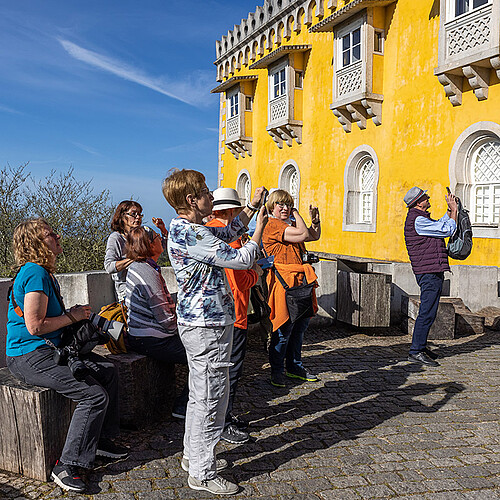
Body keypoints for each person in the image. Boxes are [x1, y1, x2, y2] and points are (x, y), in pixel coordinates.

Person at [163, 169, 267, 496]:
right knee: (212, 398)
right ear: (192, 200)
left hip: (200, 323)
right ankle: (203, 473)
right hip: (207, 326)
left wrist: (249, 209)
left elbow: (223, 236)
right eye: (206, 192)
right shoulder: (192, 234)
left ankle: (193, 457)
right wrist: (260, 229)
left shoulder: (189, 229)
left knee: (200, 395)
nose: (211, 196)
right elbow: (241, 258)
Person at [6, 218, 128, 494]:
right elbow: (35, 326)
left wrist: (72, 317)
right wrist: (71, 316)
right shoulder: (35, 273)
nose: (58, 236)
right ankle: (67, 465)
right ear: (36, 243)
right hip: (29, 355)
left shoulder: (42, 273)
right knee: (93, 395)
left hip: (47, 350)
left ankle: (100, 442)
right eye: (51, 234)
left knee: (107, 371)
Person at [206, 187, 262, 444]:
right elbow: (240, 280)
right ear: (231, 210)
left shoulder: (211, 231)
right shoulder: (231, 237)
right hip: (235, 312)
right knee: (231, 372)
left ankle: (224, 418)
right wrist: (256, 273)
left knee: (223, 372)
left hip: (222, 312)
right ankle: (224, 422)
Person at [124, 225, 189, 419]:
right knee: (201, 358)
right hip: (151, 339)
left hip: (143, 335)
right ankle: (183, 406)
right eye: (156, 237)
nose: (161, 238)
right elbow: (165, 319)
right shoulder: (147, 272)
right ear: (149, 245)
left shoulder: (144, 267)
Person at [262, 189, 321, 388]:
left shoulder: (287, 225)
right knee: (283, 329)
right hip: (283, 284)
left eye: (288, 204)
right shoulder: (272, 226)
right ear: (272, 207)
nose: (285, 208)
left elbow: (312, 236)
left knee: (299, 328)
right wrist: (296, 213)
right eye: (281, 205)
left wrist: (315, 222)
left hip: (299, 282)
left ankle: (295, 367)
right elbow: (303, 234)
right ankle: (277, 371)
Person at [403, 186, 458, 367]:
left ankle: (421, 346)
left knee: (430, 311)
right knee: (426, 312)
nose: (428, 198)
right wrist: (455, 212)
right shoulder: (418, 220)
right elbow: (447, 230)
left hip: (430, 270)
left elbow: (439, 225)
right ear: (418, 202)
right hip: (428, 272)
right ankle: (416, 351)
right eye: (425, 197)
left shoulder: (421, 219)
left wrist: (449, 210)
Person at [104, 201, 167, 302]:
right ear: (122, 216)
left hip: (148, 287)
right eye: (133, 214)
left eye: (140, 214)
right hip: (129, 292)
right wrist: (133, 259)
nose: (138, 217)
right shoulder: (116, 238)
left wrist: (163, 230)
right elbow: (109, 266)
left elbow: (160, 248)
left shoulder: (142, 235)